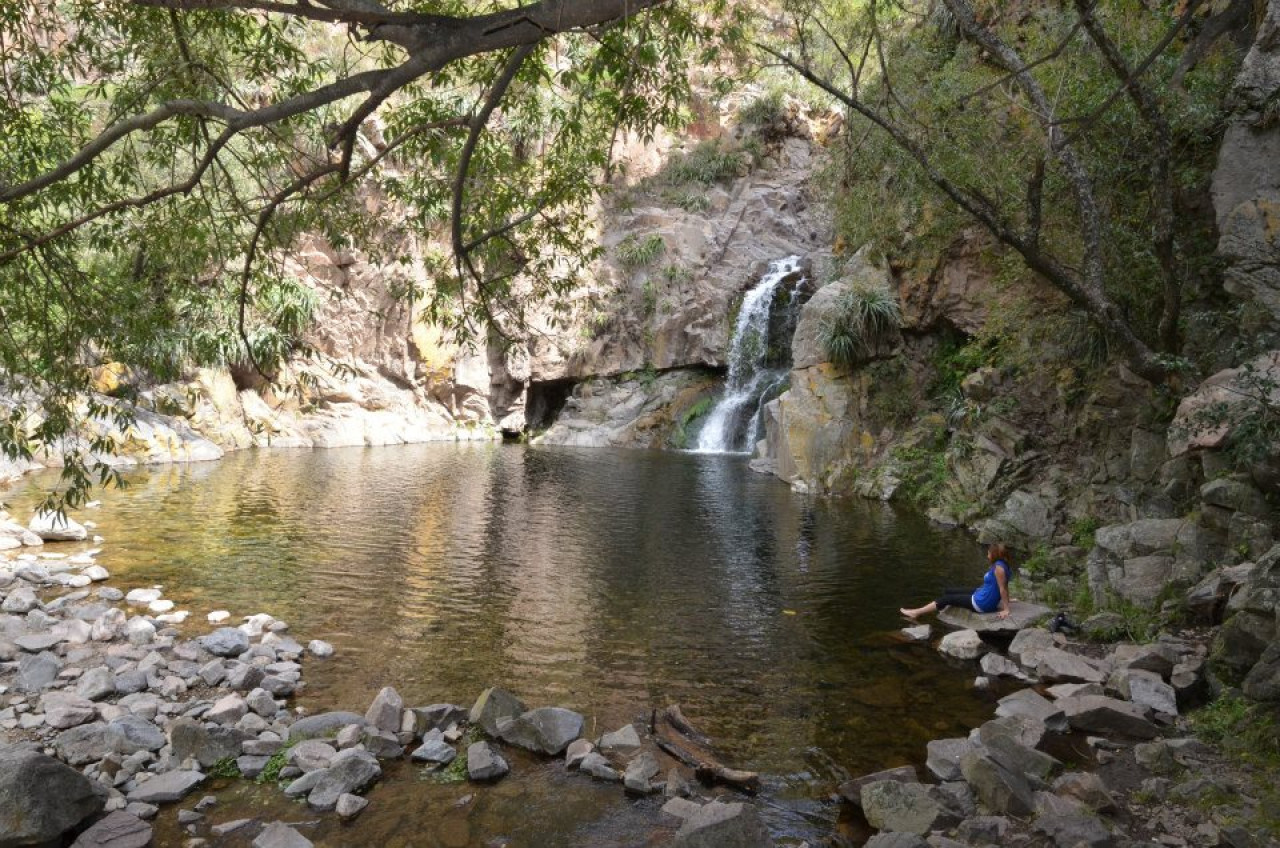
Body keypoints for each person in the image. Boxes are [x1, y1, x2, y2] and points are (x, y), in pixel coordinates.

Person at [900, 543, 1014, 620]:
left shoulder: (999, 568)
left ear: (995, 555)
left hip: (982, 603)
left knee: (946, 599)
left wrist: (1006, 609)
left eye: (989, 553)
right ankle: (938, 606)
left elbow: (1002, 588)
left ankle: (916, 612)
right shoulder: (1004, 565)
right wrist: (1008, 600)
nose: (987, 555)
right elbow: (1004, 585)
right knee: (949, 591)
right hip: (982, 593)